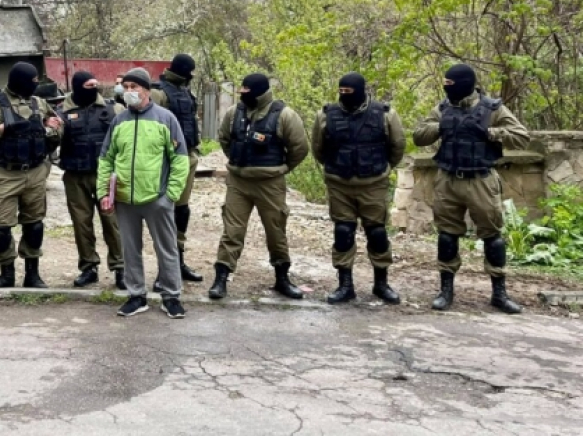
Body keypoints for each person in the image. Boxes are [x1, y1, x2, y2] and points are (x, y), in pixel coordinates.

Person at [413, 63, 530, 314]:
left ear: (465, 84)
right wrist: (439, 127)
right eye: (445, 85)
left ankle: (499, 293)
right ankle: (446, 290)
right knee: (447, 235)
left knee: (492, 236)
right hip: (448, 179)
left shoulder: (492, 109)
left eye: (451, 85)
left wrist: (490, 132)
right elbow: (419, 135)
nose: (447, 89)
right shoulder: (443, 108)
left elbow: (521, 136)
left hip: (481, 179)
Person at [97, 67, 190, 319]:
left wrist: (170, 194)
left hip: (157, 198)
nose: (129, 92)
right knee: (130, 249)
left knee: (167, 248)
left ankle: (171, 296)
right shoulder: (119, 121)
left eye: (134, 87)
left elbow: (180, 159)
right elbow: (106, 159)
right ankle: (136, 295)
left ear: (147, 90)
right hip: (125, 199)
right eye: (125, 88)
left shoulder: (165, 118)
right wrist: (104, 192)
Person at [208, 73, 309, 300]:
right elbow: (225, 139)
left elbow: (300, 148)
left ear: (261, 92)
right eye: (241, 92)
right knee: (232, 231)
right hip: (238, 182)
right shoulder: (235, 113)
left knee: (276, 231)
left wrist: (281, 169)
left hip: (270, 183)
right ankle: (221, 278)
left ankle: (282, 278)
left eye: (247, 92)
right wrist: (238, 160)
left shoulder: (284, 115)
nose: (243, 96)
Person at [311, 72, 406, 305]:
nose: (345, 95)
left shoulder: (384, 114)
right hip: (339, 183)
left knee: (377, 233)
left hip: (373, 183)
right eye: (341, 91)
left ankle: (381, 283)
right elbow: (318, 148)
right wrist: (338, 166)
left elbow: (397, 146)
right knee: (343, 232)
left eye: (349, 91)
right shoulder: (326, 115)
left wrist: (380, 169)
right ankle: (345, 285)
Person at [0, 62, 62, 289]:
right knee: (0, 228)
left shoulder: (38, 102)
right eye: (32, 82)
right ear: (19, 81)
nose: (35, 86)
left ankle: (32, 274)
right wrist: (1, 130)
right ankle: (6, 274)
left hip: (36, 172)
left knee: (34, 225)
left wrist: (51, 127)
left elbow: (56, 125)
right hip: (5, 173)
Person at [58, 70, 125, 289]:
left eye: (96, 84)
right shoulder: (62, 112)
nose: (93, 89)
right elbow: (50, 141)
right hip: (75, 176)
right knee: (81, 224)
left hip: (104, 175)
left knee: (112, 222)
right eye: (88, 85)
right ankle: (89, 268)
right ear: (77, 87)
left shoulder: (113, 109)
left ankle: (121, 268)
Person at [150, 53, 203, 286]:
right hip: (165, 160)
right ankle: (164, 270)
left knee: (181, 211)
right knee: (164, 213)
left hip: (187, 156)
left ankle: (178, 263)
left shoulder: (185, 91)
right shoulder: (159, 93)